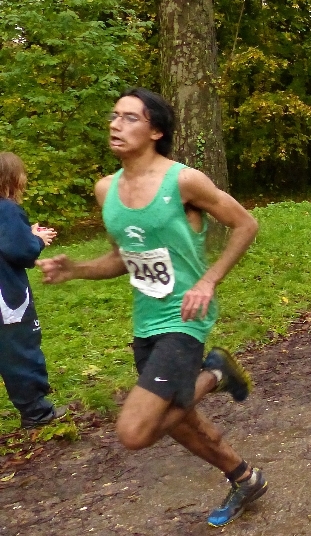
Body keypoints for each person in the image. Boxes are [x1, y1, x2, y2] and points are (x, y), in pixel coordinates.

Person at [38, 88, 266, 528]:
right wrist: (76, 270)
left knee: (136, 430)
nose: (115, 124)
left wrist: (208, 279)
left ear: (156, 131)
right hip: (146, 321)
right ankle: (244, 477)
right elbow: (120, 258)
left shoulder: (183, 181)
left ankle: (216, 371)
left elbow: (245, 224)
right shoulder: (106, 191)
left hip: (186, 318)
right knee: (180, 423)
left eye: (129, 118)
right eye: (114, 116)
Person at [0, 153, 67, 429]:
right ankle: (37, 412)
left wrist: (26, 232)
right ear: (12, 178)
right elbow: (21, 251)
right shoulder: (6, 209)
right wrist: (36, 240)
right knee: (20, 350)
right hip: (7, 298)